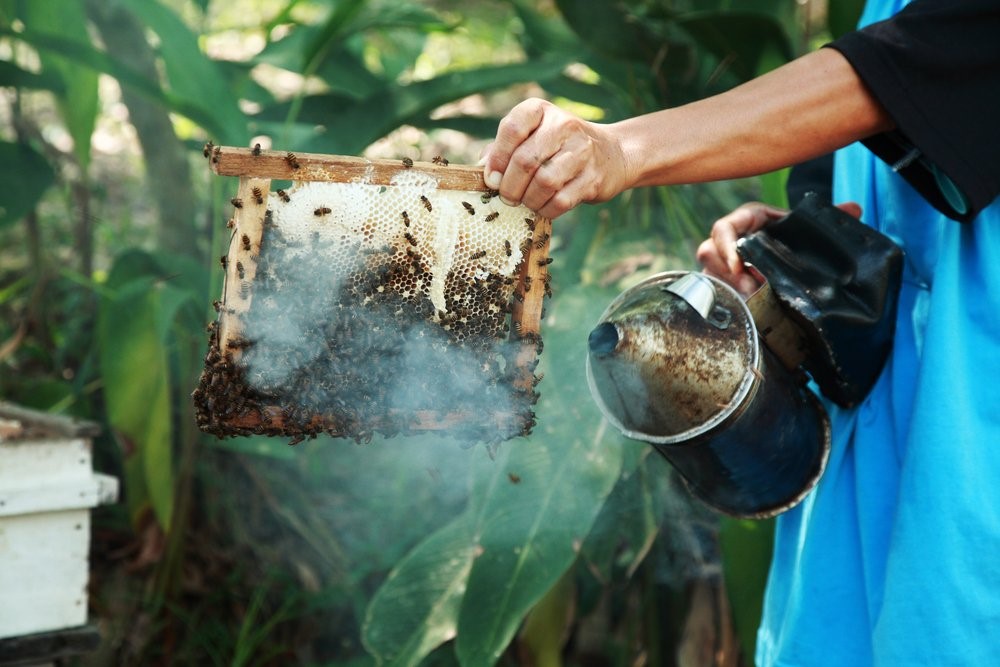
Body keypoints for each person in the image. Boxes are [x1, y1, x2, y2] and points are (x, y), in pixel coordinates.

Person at [484, 1, 1000, 665]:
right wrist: (793, 251)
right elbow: (881, 194)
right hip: (866, 460)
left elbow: (890, 75)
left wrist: (621, 148)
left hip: (966, 452)